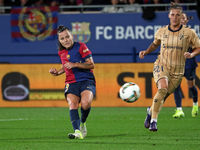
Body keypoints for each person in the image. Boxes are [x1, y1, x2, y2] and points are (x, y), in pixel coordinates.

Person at [139, 2, 200, 132]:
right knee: (162, 88)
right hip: (162, 65)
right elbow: (155, 44)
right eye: (172, 14)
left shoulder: (189, 33)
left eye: (177, 15)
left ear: (181, 16)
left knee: (162, 96)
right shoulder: (162, 31)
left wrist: (192, 53)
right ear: (169, 15)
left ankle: (150, 111)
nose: (175, 17)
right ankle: (154, 122)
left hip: (178, 70)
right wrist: (146, 51)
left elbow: (198, 47)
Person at [49, 25, 96, 139]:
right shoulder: (61, 52)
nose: (65, 40)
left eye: (67, 37)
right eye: (62, 38)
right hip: (71, 82)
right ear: (59, 40)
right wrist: (58, 72)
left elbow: (91, 64)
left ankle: (83, 123)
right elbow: (65, 66)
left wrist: (75, 64)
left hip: (86, 80)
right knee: (72, 104)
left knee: (85, 104)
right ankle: (77, 132)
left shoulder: (81, 46)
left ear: (72, 36)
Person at [172, 12, 198, 118]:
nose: (181, 19)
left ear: (187, 20)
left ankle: (195, 105)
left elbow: (197, 47)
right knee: (176, 85)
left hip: (189, 63)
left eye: (183, 18)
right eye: (179, 17)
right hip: (177, 62)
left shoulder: (191, 32)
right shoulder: (172, 32)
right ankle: (179, 110)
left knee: (191, 86)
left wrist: (191, 54)